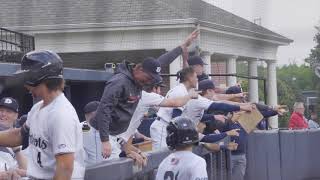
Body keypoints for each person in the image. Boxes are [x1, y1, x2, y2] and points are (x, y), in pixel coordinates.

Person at [90, 30, 200, 161]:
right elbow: (104, 109)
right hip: (99, 134)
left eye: (152, 79)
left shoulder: (139, 80)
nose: (149, 82)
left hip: (113, 135)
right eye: (148, 78)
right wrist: (104, 140)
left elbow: (161, 62)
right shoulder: (120, 82)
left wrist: (182, 47)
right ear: (139, 69)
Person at [0, 50, 85, 179]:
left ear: (37, 78)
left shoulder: (61, 114)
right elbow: (20, 135)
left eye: (27, 77)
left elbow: (65, 168)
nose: (25, 84)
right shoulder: (38, 108)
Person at [150, 67, 198, 150]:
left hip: (165, 125)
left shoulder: (181, 89)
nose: (197, 80)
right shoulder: (180, 91)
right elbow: (176, 118)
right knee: (159, 158)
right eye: (195, 77)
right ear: (190, 78)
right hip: (162, 127)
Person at [0, 97, 27, 178]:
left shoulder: (23, 137)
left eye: (8, 111)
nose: (3, 114)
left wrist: (16, 149)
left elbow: (27, 170)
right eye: (1, 110)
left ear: (16, 116)